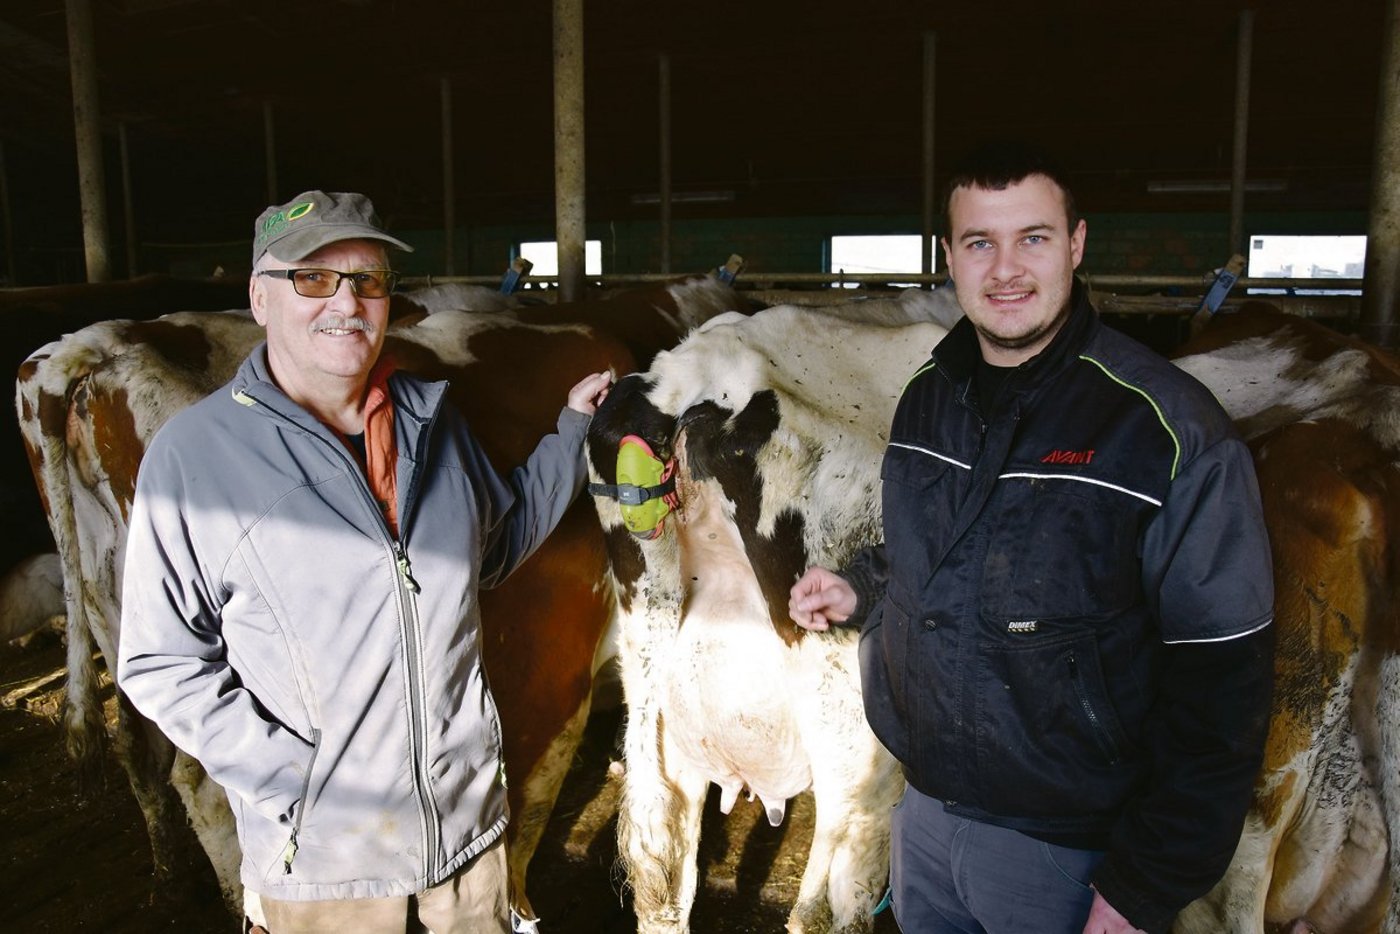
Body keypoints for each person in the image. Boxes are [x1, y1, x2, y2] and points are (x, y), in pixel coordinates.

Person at [789, 144, 1275, 934]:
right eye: (980, 242)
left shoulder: (1166, 429)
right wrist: (863, 588)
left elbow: (1224, 684)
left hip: (1068, 856)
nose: (1006, 268)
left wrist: (1143, 887)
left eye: (1034, 238)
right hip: (924, 818)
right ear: (949, 256)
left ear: (1077, 245)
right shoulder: (928, 398)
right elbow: (941, 549)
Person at [116, 189, 612, 934]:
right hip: (328, 875)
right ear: (259, 298)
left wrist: (574, 431)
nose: (345, 302)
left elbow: (496, 546)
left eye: (367, 280)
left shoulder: (433, 423)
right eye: (313, 279)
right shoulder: (193, 459)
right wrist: (300, 787)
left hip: (467, 850)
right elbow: (160, 661)